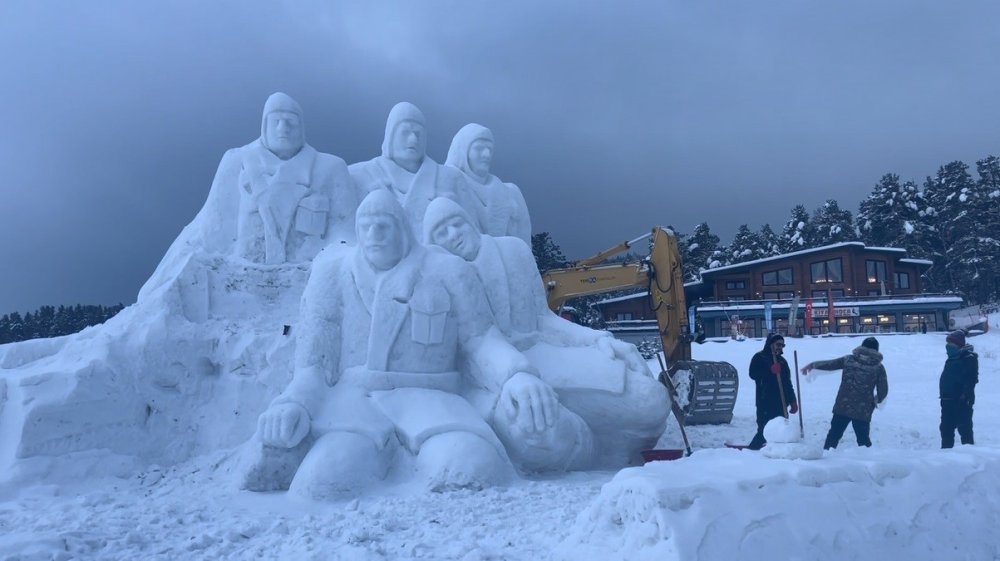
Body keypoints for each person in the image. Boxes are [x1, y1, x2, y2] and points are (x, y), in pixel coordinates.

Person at [240, 190, 593, 499]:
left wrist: (516, 375)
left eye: (384, 225)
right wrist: (293, 402)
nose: (374, 235)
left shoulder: (448, 270)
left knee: (470, 470)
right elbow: (314, 364)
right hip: (358, 405)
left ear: (402, 228)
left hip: (434, 400)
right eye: (366, 226)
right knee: (325, 481)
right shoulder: (332, 275)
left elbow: (481, 340)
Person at [421, 197, 668, 465]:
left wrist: (598, 339)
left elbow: (544, 319)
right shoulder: (443, 276)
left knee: (651, 400)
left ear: (470, 222)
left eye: (457, 223)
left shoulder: (513, 251)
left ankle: (612, 450)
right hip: (493, 376)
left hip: (545, 354)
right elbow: (475, 343)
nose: (453, 235)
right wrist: (512, 376)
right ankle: (592, 450)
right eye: (441, 233)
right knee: (540, 428)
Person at [348, 102, 469, 239]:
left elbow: (474, 232)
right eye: (405, 132)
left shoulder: (450, 178)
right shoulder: (359, 175)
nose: (413, 139)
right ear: (391, 135)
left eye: (418, 133)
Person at [444, 123, 531, 245]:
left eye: (489, 149)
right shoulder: (445, 186)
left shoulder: (510, 193)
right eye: (479, 148)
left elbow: (524, 246)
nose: (487, 154)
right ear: (463, 151)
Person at [801, 336, 888, 449]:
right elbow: (883, 390)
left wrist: (813, 365)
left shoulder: (848, 360)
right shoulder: (878, 368)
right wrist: (877, 399)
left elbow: (830, 364)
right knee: (863, 440)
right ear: (876, 350)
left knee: (834, 435)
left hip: (843, 405)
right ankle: (868, 458)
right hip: (863, 409)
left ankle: (827, 455)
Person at [747, 333, 798, 450]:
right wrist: (769, 370)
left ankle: (778, 450)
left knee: (781, 429)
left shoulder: (782, 362)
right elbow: (753, 374)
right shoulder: (759, 358)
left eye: (782, 345)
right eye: (778, 344)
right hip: (764, 401)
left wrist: (792, 400)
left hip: (781, 403)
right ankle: (753, 450)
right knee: (764, 429)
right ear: (770, 344)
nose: (780, 347)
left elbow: (787, 383)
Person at [939, 330, 979, 448]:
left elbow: (971, 379)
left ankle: (970, 454)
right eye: (947, 343)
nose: (948, 346)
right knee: (946, 429)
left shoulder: (968, 358)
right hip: (947, 399)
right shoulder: (952, 358)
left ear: (958, 344)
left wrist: (964, 395)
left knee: (964, 429)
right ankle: (945, 454)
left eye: (951, 343)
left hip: (961, 400)